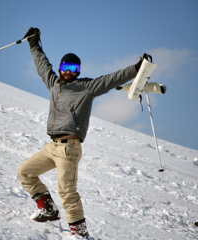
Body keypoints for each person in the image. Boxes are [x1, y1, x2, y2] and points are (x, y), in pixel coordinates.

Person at [17, 27, 147, 239]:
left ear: (78, 71)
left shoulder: (87, 87)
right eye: (66, 67)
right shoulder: (54, 84)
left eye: (74, 68)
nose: (69, 72)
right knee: (25, 172)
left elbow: (112, 79)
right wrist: (33, 44)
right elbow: (42, 66)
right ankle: (48, 210)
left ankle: (79, 233)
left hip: (69, 147)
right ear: (60, 68)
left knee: (67, 192)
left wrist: (136, 68)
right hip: (52, 146)